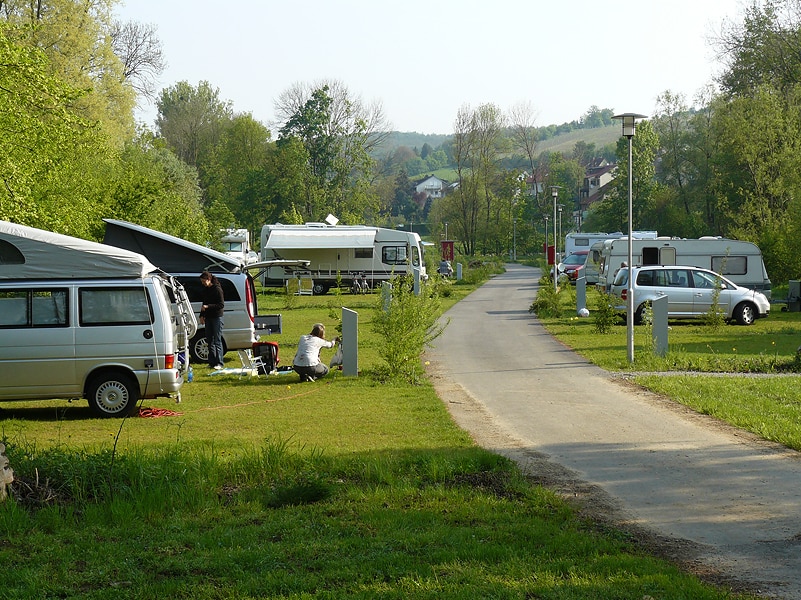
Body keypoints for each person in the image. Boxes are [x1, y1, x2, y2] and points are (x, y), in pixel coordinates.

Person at [199, 271, 225, 369]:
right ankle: (212, 362)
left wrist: (208, 306)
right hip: (209, 317)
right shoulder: (206, 290)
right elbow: (204, 303)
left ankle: (219, 363)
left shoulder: (217, 289)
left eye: (203, 281)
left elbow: (221, 305)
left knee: (217, 340)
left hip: (217, 317)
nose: (202, 283)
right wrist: (202, 315)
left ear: (208, 280)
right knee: (210, 341)